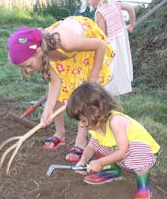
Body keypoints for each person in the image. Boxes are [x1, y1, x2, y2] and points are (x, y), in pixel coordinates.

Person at [8, 16, 115, 162]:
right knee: (61, 93)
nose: (28, 71)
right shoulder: (43, 52)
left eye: (28, 65)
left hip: (87, 48)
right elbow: (55, 84)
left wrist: (94, 77)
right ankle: (60, 133)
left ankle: (80, 140)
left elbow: (100, 45)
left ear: (39, 52)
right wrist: (48, 110)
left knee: (83, 97)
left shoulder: (66, 43)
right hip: (62, 55)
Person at [66, 83, 160, 199]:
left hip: (141, 152)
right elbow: (90, 147)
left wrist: (100, 162)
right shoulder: (96, 126)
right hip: (122, 154)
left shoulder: (116, 121)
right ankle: (112, 170)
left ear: (96, 111)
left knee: (136, 150)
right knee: (96, 143)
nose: (82, 125)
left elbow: (123, 150)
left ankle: (144, 187)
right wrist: (82, 161)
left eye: (83, 120)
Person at [72, 0, 135, 96]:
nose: (90, 2)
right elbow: (130, 8)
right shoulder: (115, 3)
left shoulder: (100, 12)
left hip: (110, 47)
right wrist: (131, 25)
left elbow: (102, 37)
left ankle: (103, 93)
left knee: (108, 71)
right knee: (120, 68)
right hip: (121, 42)